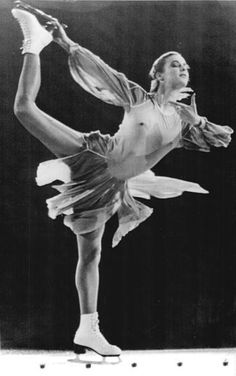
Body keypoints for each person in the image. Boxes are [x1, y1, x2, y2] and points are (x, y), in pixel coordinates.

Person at [11, 2, 233, 357]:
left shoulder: (181, 121)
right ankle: (33, 43)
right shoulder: (138, 98)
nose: (184, 69)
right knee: (24, 110)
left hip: (111, 186)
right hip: (96, 154)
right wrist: (65, 41)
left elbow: (222, 138)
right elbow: (103, 71)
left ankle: (88, 327)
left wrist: (198, 123)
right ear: (158, 75)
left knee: (91, 253)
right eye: (176, 64)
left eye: (186, 66)